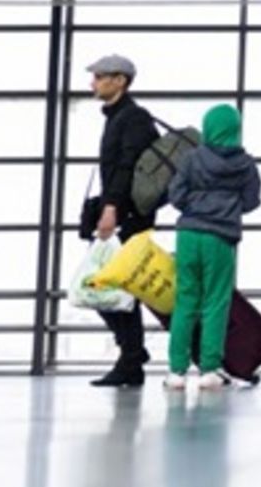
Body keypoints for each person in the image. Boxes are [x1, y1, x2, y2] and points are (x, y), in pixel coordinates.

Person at [162, 104, 261, 391]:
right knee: (216, 302)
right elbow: (252, 200)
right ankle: (209, 369)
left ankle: (176, 372)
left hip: (189, 234)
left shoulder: (192, 158)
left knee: (185, 300)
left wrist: (196, 205)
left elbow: (175, 195)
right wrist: (228, 207)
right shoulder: (245, 164)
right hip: (221, 237)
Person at [86, 53, 159, 388]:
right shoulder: (118, 117)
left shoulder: (133, 118)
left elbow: (128, 167)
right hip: (122, 214)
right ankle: (132, 356)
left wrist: (111, 208)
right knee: (111, 288)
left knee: (108, 286)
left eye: (99, 76)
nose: (93, 82)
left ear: (120, 81)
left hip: (128, 217)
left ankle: (131, 356)